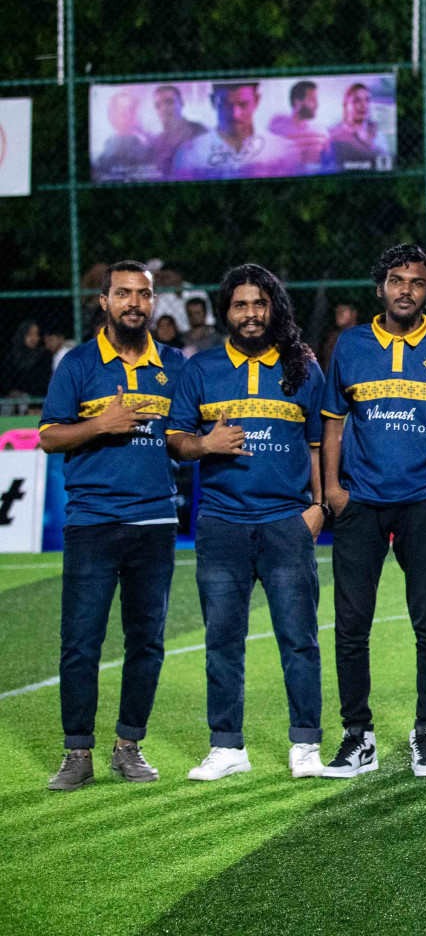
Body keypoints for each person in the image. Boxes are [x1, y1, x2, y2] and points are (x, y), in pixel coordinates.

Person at [166, 264, 328, 781]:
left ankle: (305, 745)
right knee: (222, 640)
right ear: (226, 311)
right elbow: (175, 439)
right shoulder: (202, 369)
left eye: (260, 303)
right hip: (221, 523)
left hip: (286, 521)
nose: (251, 313)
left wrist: (319, 507)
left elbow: (321, 443)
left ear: (274, 308)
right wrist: (204, 445)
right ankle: (227, 747)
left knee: (299, 638)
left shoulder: (302, 366)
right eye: (241, 304)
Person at [320, 244, 426, 778]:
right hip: (359, 504)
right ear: (380, 286)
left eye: (418, 282)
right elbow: (333, 422)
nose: (407, 289)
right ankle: (357, 737)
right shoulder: (351, 344)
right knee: (351, 626)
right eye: (397, 280)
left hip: (420, 506)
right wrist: (333, 490)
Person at [39, 261, 186, 791]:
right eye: (123, 293)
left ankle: (129, 746)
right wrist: (100, 424)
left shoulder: (175, 365)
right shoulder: (77, 364)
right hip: (93, 523)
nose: (134, 303)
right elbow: (50, 437)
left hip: (155, 520)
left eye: (143, 295)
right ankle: (77, 752)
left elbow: (182, 436)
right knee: (81, 642)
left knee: (146, 641)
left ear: (153, 302)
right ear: (104, 301)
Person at [171, 82, 283, 180]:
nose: (235, 114)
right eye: (226, 104)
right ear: (212, 101)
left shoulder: (280, 150)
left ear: (257, 100)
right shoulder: (190, 155)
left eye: (243, 104)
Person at [266, 80, 329, 170]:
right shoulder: (278, 129)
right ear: (297, 102)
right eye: (312, 100)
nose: (316, 105)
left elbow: (330, 165)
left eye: (316, 100)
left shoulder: (321, 133)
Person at [147, 85, 207, 177]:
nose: (163, 109)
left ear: (182, 103)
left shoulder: (199, 131)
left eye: (169, 102)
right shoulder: (156, 142)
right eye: (158, 105)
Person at [94, 92, 152, 181]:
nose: (127, 115)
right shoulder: (105, 149)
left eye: (131, 110)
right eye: (121, 110)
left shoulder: (147, 149)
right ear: (111, 115)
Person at [328, 83, 387, 169]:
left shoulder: (378, 134)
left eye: (367, 100)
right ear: (345, 105)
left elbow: (385, 165)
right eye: (356, 100)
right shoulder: (333, 136)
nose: (364, 105)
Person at [7, 320, 52, 399]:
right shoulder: (13, 356)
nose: (34, 339)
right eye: (29, 335)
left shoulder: (44, 355)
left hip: (37, 398)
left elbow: (43, 382)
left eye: (37, 335)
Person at [319, 303, 359, 372]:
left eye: (342, 311)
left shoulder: (361, 336)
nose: (338, 314)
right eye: (336, 311)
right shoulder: (332, 337)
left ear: (354, 314)